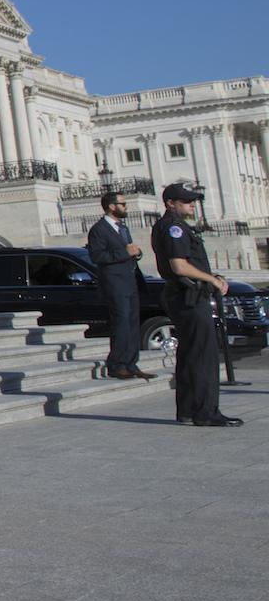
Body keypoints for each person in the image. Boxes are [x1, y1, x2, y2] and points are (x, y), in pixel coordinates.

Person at [152, 183, 239, 428]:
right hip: (188, 296)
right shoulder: (174, 227)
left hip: (185, 295)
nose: (192, 204)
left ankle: (189, 410)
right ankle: (206, 412)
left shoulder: (172, 226)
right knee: (203, 355)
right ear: (171, 203)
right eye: (186, 200)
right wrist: (211, 279)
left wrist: (213, 276)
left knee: (191, 354)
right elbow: (179, 265)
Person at [88, 189, 152, 380]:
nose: (126, 207)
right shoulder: (99, 230)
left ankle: (131, 363)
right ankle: (117, 364)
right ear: (111, 206)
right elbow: (97, 256)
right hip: (115, 283)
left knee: (132, 322)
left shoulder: (122, 228)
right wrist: (125, 253)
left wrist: (136, 253)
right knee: (121, 322)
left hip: (130, 280)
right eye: (122, 204)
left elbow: (129, 251)